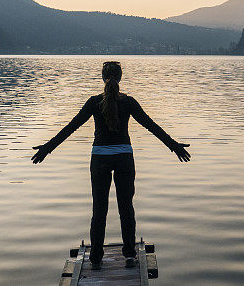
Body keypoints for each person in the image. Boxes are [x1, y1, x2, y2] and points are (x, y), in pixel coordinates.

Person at [31, 61, 190, 270]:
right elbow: (151, 125)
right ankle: (130, 255)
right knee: (126, 208)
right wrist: (174, 146)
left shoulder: (94, 102)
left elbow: (71, 127)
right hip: (124, 158)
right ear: (120, 78)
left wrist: (47, 148)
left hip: (100, 160)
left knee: (99, 209)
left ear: (102, 78)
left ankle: (96, 257)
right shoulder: (129, 102)